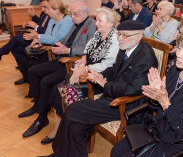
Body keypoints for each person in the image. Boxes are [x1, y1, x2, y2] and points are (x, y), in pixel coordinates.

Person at [40, 20, 158, 157]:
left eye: (125, 36)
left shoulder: (146, 57)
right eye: (119, 34)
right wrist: (99, 75)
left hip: (125, 105)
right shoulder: (126, 47)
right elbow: (114, 69)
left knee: (72, 109)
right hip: (111, 96)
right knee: (76, 127)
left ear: (138, 36)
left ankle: (58, 154)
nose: (120, 38)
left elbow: (133, 89)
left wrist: (104, 84)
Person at [111, 30, 183, 157]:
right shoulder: (176, 70)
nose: (178, 55)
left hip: (182, 144)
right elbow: (155, 107)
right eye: (179, 49)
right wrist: (156, 96)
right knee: (118, 151)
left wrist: (165, 102)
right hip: (159, 130)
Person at [18, 2, 98, 140]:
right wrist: (54, 45)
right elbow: (63, 40)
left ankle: (42, 117)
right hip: (62, 57)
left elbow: (89, 50)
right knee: (34, 71)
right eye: (71, 13)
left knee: (46, 82)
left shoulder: (91, 25)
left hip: (72, 63)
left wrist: (68, 50)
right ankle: (38, 106)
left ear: (85, 13)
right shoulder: (75, 23)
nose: (72, 17)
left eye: (75, 14)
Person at [15, 0, 74, 85]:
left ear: (56, 10)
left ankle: (35, 87)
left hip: (56, 51)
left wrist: (38, 36)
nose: (46, 11)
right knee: (26, 61)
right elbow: (47, 34)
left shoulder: (67, 21)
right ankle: (30, 82)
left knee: (32, 64)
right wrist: (38, 40)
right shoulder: (52, 19)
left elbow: (56, 39)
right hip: (49, 47)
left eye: (48, 9)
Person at [0, 0, 53, 64]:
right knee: (15, 48)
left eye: (44, 7)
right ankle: (25, 67)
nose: (42, 9)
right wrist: (29, 23)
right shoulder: (44, 13)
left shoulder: (53, 16)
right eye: (41, 7)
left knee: (16, 38)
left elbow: (47, 32)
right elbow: (39, 23)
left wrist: (35, 24)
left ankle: (1, 52)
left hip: (41, 41)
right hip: (36, 36)